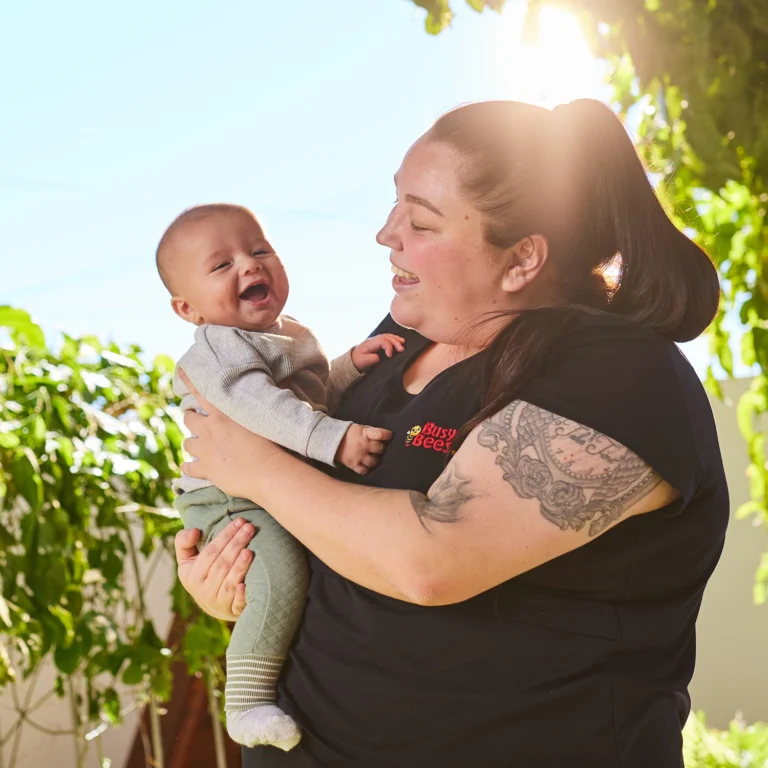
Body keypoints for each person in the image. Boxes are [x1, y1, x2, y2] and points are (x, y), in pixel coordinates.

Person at [174, 99, 729, 768]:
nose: (386, 234)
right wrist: (237, 575)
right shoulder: (399, 342)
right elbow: (332, 534)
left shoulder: (618, 372)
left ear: (522, 259)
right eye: (393, 206)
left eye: (421, 220)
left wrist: (255, 467)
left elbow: (429, 560)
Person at [156, 203, 404, 749]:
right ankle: (246, 701)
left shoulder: (289, 335)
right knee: (281, 573)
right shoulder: (219, 348)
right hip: (230, 501)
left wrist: (347, 367)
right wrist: (333, 441)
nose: (249, 265)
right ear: (188, 308)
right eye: (221, 266)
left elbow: (306, 398)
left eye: (260, 249)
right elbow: (258, 408)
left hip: (263, 483)